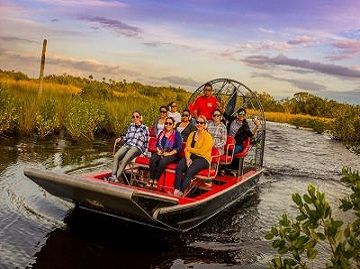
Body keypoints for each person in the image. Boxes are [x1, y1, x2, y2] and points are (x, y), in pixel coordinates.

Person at [173, 115, 213, 196]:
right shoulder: (192, 134)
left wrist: (189, 149)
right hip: (191, 156)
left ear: (205, 125)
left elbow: (202, 151)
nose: (199, 124)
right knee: (179, 167)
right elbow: (186, 149)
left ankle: (181, 191)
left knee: (190, 171)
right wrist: (187, 158)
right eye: (197, 122)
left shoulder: (208, 136)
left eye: (201, 123)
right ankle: (176, 189)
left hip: (203, 158)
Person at [108, 111, 149, 182]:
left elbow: (146, 142)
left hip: (136, 147)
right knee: (116, 156)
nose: (135, 118)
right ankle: (113, 176)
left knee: (124, 160)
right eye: (133, 117)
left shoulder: (144, 128)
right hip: (127, 145)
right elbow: (127, 137)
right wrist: (121, 138)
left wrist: (144, 154)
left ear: (140, 118)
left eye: (137, 116)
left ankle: (115, 178)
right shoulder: (131, 126)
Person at [149, 117, 182, 188]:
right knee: (153, 159)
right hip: (161, 151)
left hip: (172, 154)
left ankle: (156, 180)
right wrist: (158, 150)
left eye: (170, 123)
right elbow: (157, 144)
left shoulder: (177, 134)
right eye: (166, 123)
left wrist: (169, 153)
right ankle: (151, 179)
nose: (168, 125)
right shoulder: (161, 133)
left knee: (163, 161)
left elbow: (179, 147)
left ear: (173, 125)